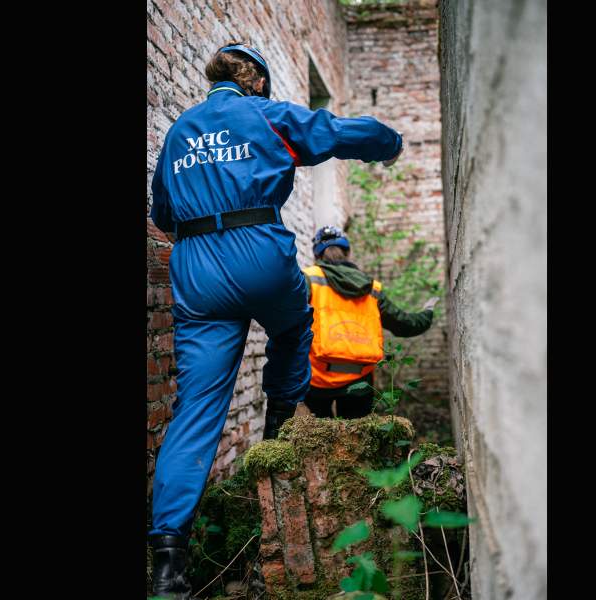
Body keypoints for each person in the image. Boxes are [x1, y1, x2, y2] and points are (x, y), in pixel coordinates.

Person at [147, 42, 403, 597]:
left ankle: (168, 567)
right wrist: (390, 142)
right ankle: (280, 423)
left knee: (195, 411)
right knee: (293, 327)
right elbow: (337, 131)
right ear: (257, 80)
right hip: (258, 249)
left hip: (194, 269)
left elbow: (161, 215)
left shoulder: (179, 132)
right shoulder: (266, 115)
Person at [302, 225, 437, 419]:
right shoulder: (372, 288)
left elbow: (288, 319)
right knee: (358, 441)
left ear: (317, 255)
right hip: (360, 379)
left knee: (318, 440)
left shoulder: (309, 279)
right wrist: (427, 312)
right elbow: (403, 324)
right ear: (348, 252)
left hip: (317, 377)